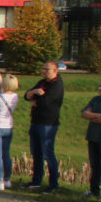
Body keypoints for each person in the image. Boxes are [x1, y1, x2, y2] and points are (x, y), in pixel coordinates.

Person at [24, 61, 65, 192]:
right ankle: (36, 181)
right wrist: (35, 92)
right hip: (36, 121)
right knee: (36, 153)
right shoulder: (42, 83)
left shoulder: (57, 85)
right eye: (43, 69)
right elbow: (26, 95)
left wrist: (35, 98)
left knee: (47, 153)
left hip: (48, 124)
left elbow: (44, 102)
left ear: (55, 71)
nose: (44, 71)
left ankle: (53, 184)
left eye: (47, 69)